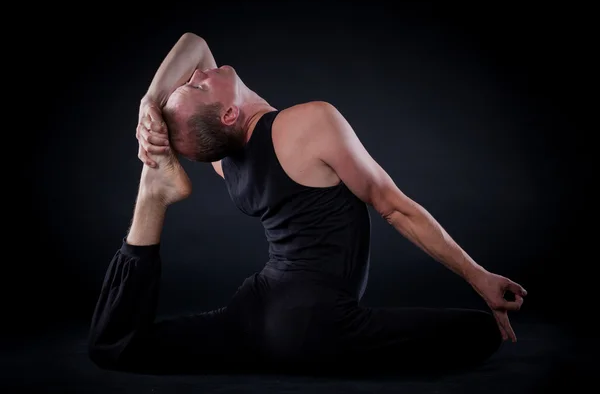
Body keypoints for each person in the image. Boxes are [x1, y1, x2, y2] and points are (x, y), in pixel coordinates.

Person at [87, 32, 527, 376]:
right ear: (226, 115)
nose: (198, 73)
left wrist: (151, 102)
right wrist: (477, 275)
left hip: (254, 315)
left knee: (122, 346)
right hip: (319, 328)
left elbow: (194, 45)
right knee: (479, 333)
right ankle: (154, 192)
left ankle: (152, 196)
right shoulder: (310, 122)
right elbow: (394, 207)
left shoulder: (224, 161)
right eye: (197, 85)